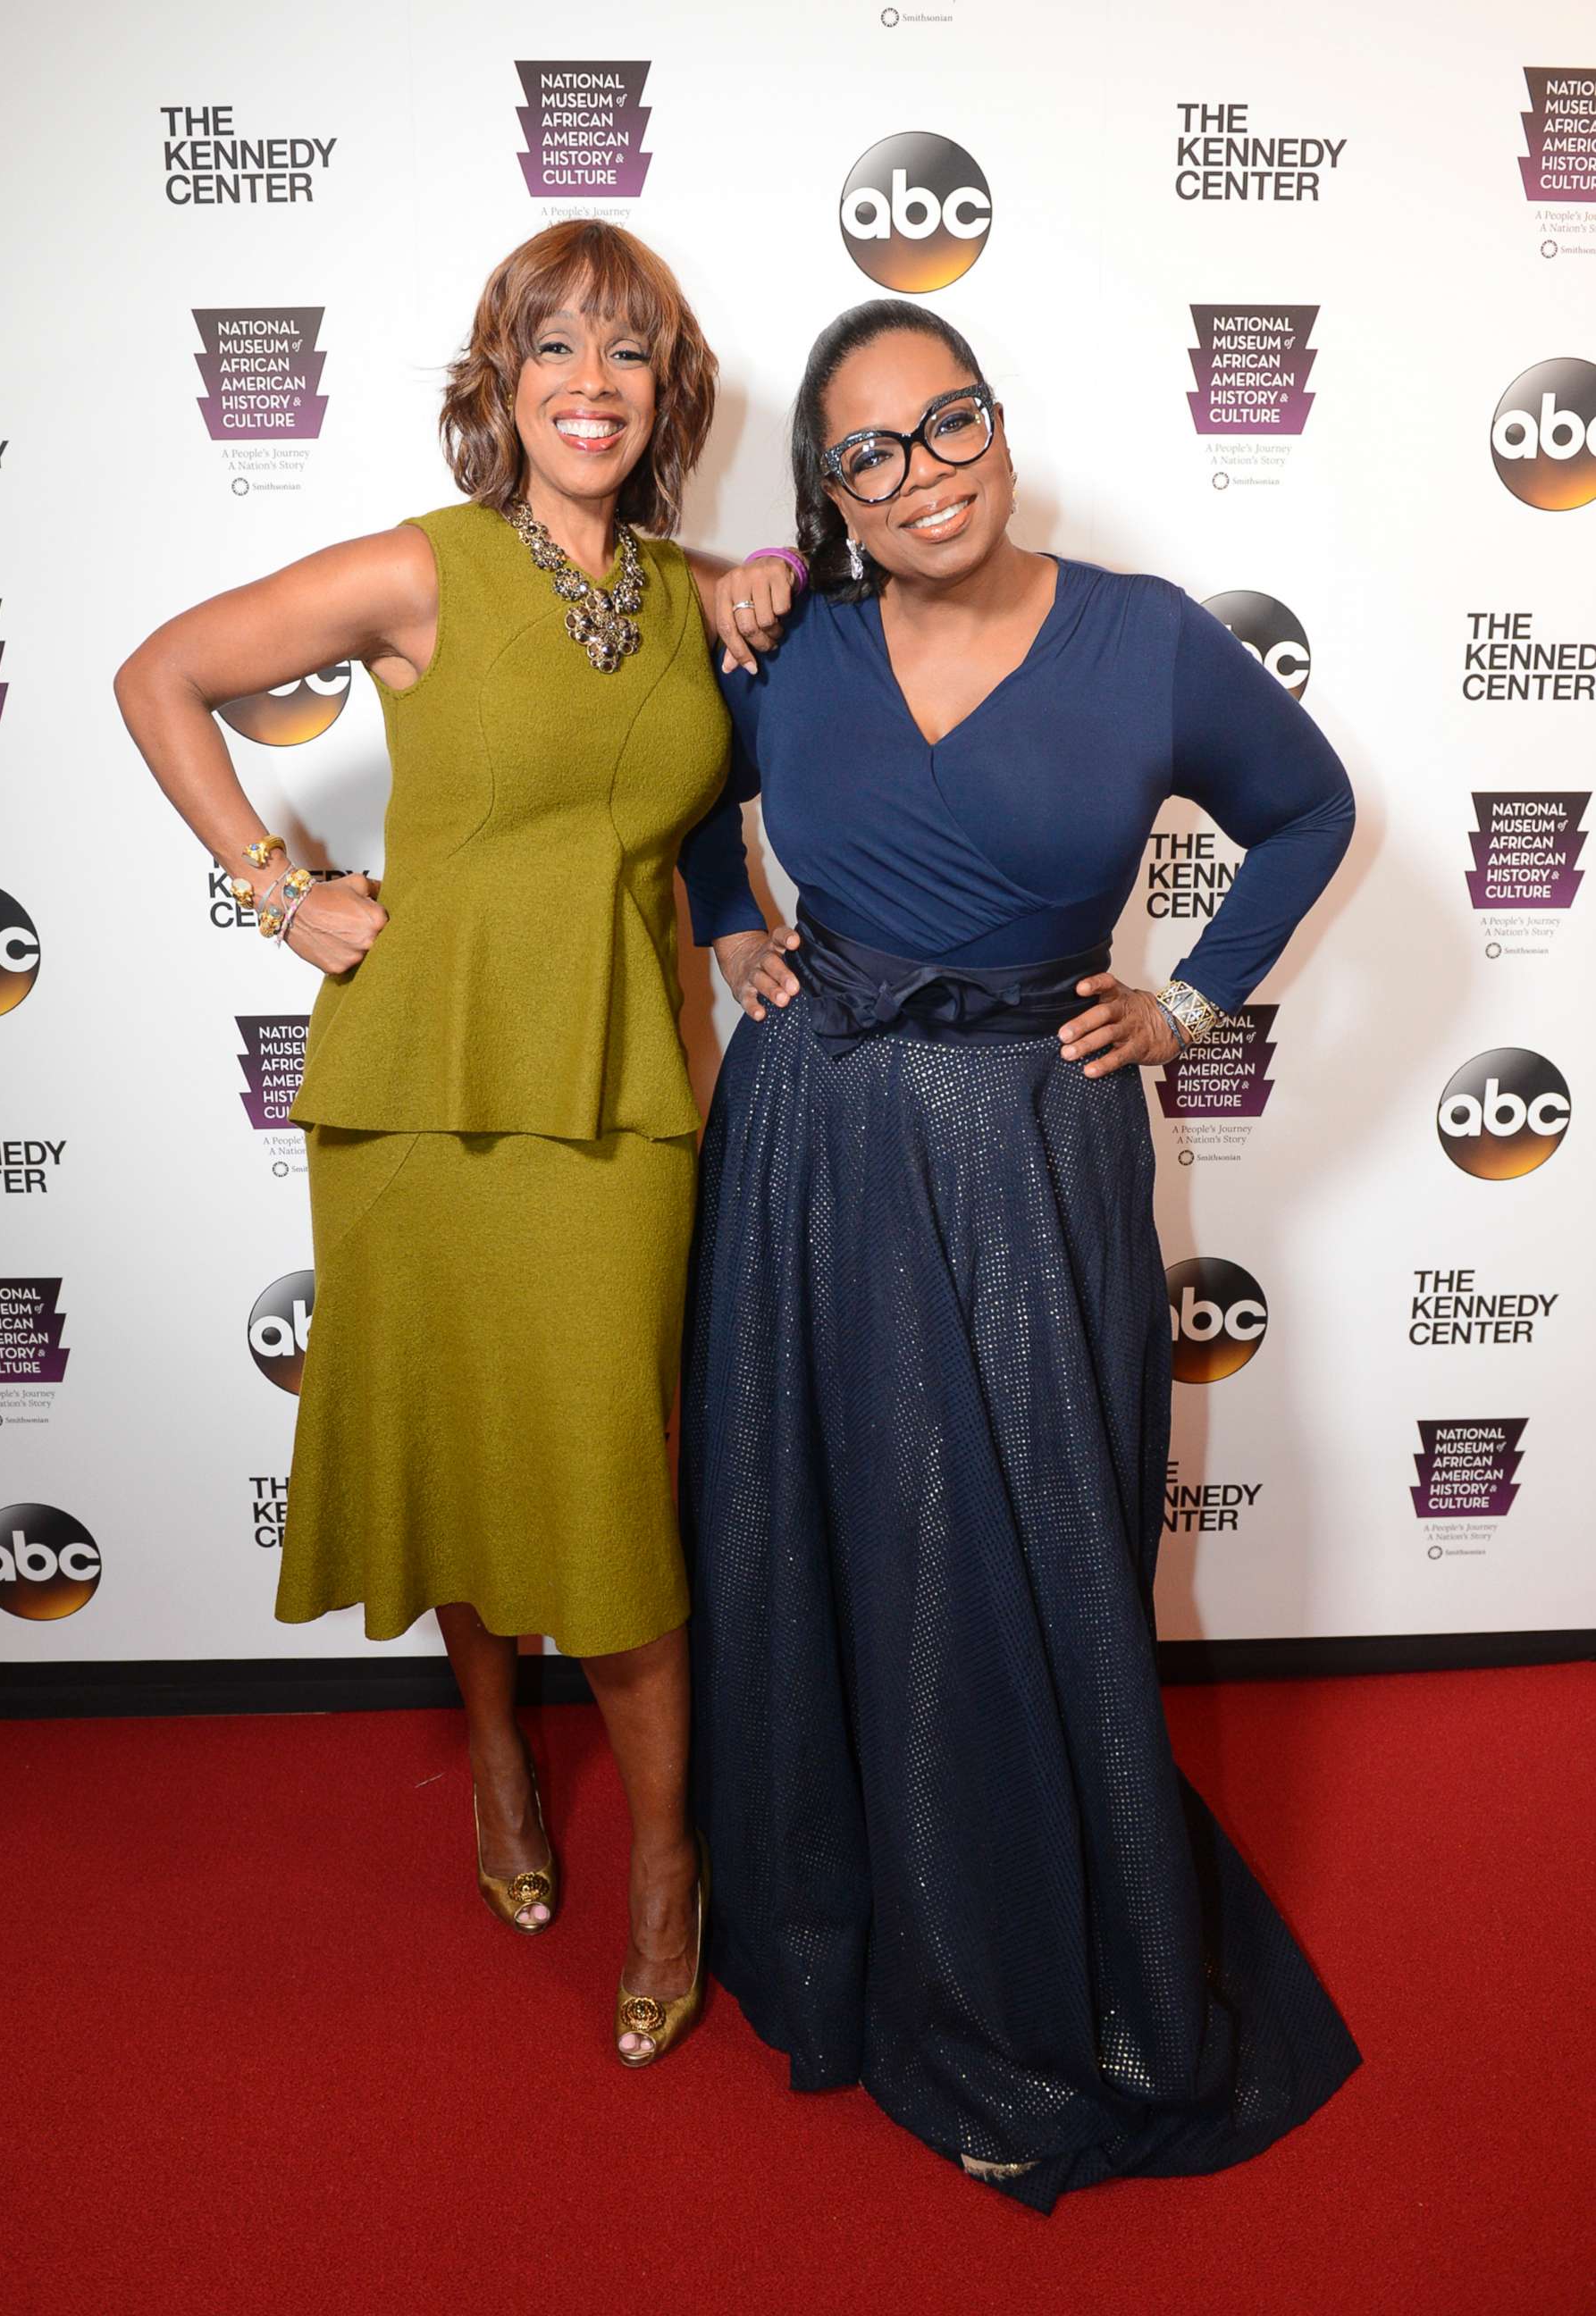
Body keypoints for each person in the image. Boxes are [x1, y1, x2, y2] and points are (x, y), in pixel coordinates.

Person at [677, 298, 1363, 2206]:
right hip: (812, 1132)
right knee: (816, 1527)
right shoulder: (785, 640)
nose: (922, 469)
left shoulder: (1142, 636)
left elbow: (1305, 812)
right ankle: (832, 1917)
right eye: (868, 451)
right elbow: (679, 809)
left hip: (1034, 1143)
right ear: (826, 494)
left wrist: (1197, 1002)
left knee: (1026, 1537)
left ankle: (1030, 1922)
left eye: (944, 419)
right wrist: (734, 916)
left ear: (996, 418)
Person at [115, 221, 780, 2068]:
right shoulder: (419, 572)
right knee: (469, 1446)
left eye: (626, 354)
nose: (589, 380)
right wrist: (278, 888)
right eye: (551, 345)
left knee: (611, 1480)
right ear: (498, 381)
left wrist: (749, 576)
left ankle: (665, 1865)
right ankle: (495, 1753)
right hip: (415, 1091)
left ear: (667, 396)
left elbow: (686, 805)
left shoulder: (690, 595)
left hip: (618, 1094)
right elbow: (157, 674)